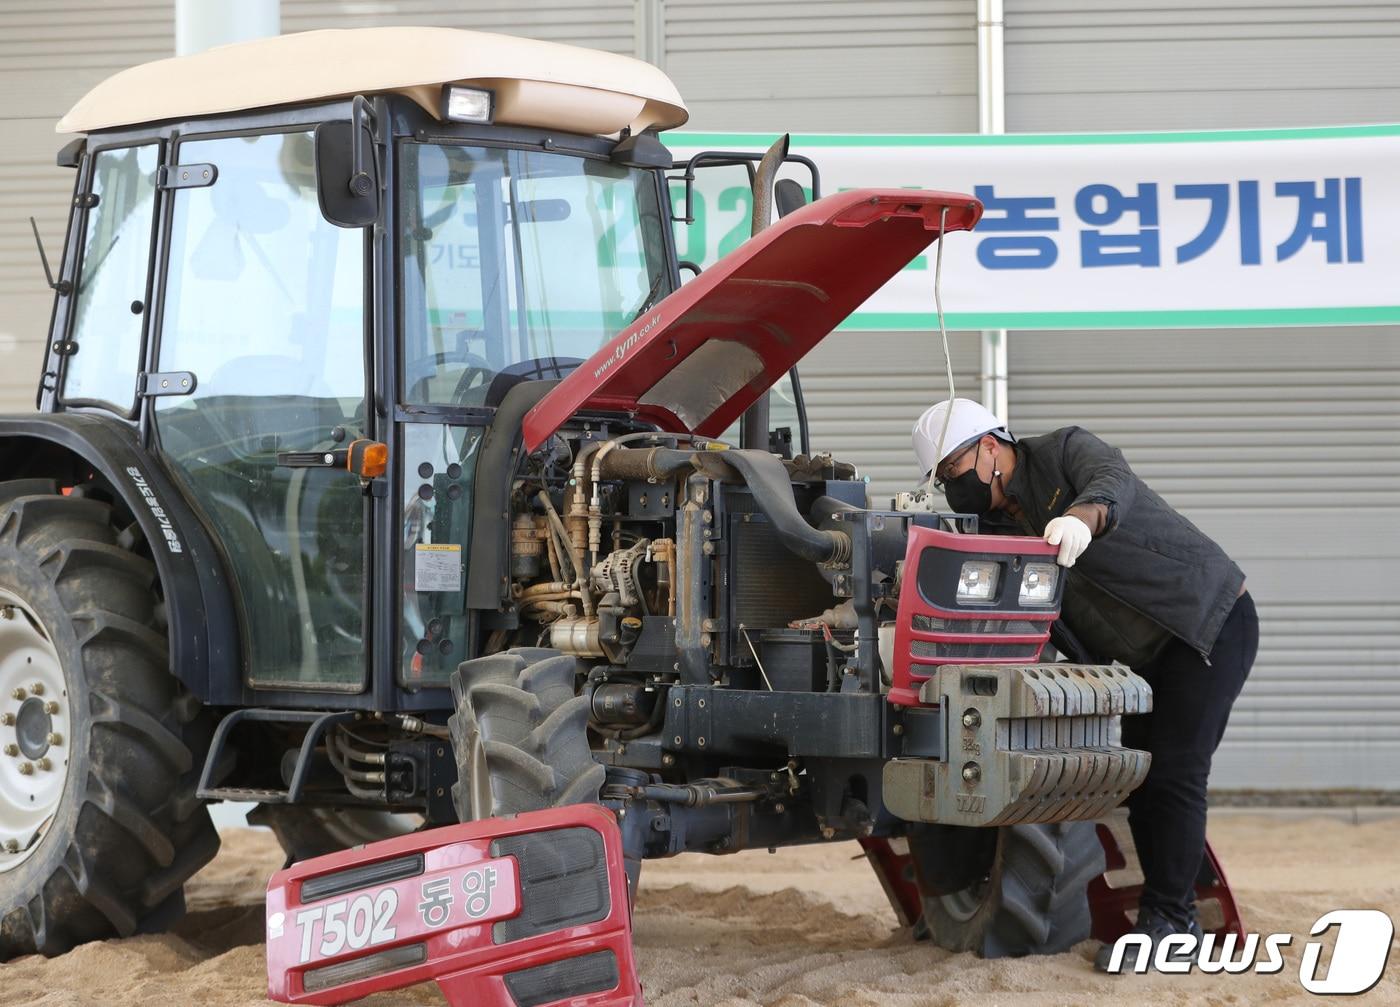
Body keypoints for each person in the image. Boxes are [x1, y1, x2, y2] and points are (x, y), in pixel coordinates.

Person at [911, 398, 1259, 972]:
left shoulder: (1064, 450)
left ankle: (1173, 921)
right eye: (943, 479)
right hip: (1138, 657)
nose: (953, 487)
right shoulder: (995, 524)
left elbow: (1111, 480)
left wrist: (1082, 518)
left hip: (1207, 625)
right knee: (1144, 777)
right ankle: (1178, 899)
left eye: (954, 470)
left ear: (991, 448)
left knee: (1174, 770)